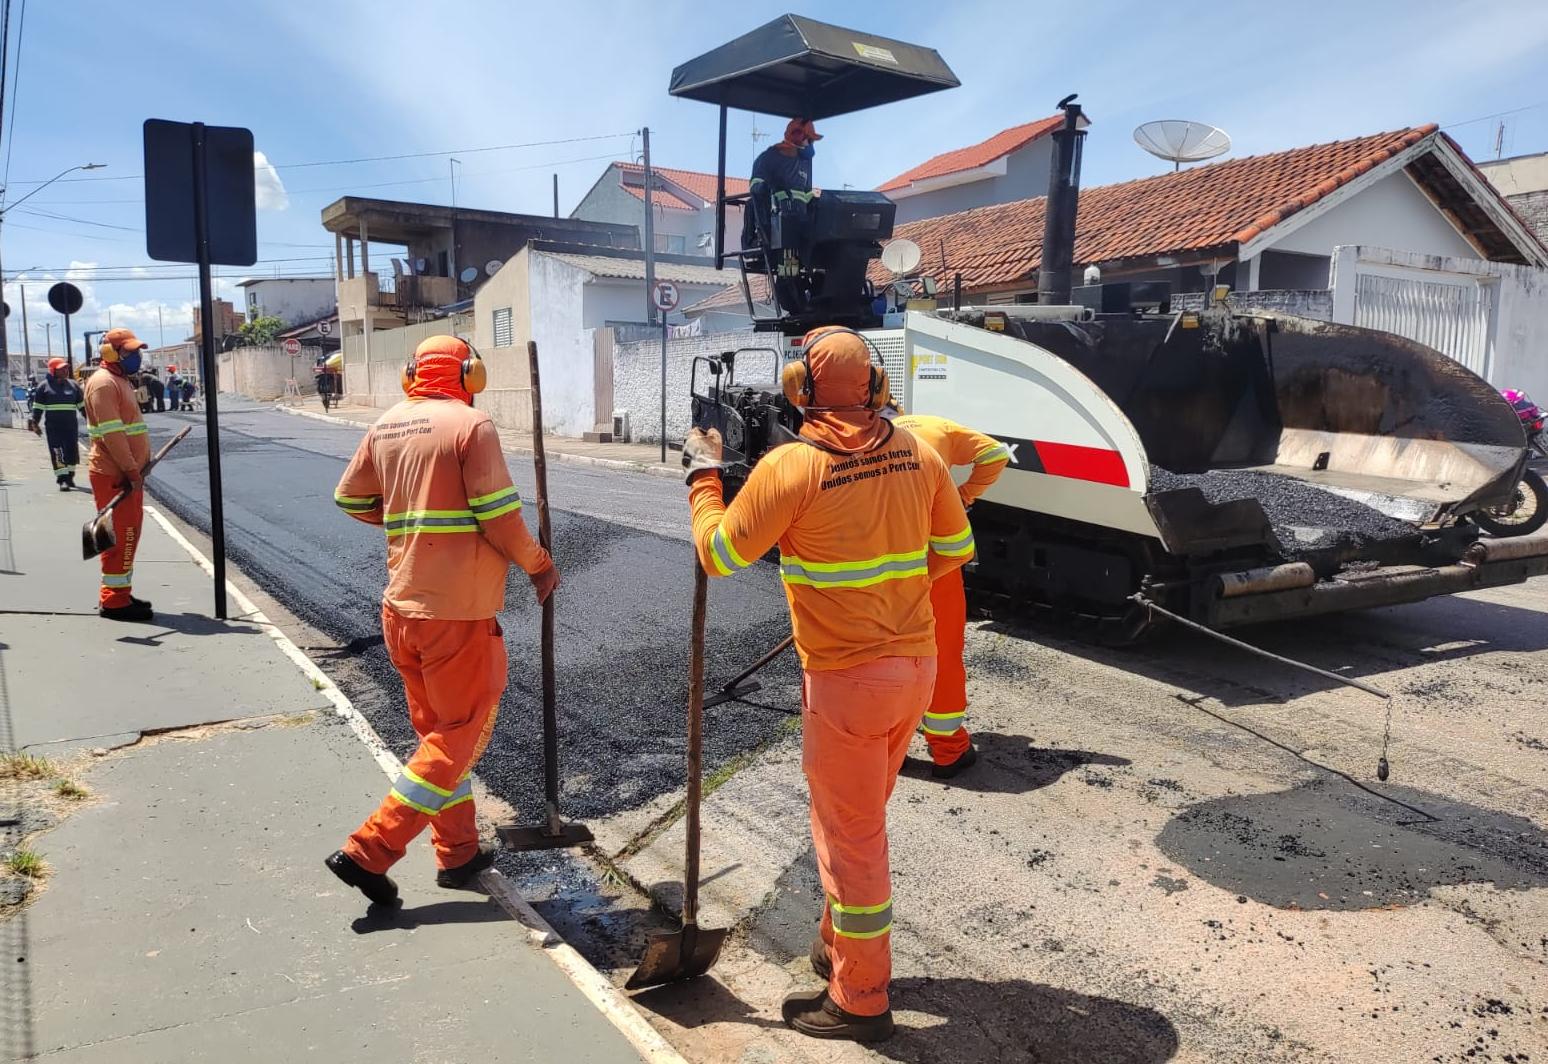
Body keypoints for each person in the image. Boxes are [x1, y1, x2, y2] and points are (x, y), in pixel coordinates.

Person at [683, 328, 973, 1043]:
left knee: (853, 841)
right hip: (916, 669)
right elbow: (956, 548)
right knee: (859, 819)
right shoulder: (919, 453)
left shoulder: (791, 467)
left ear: (799, 390)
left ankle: (860, 999)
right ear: (875, 385)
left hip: (846, 682)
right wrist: (892, 599)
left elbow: (720, 554)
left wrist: (702, 479)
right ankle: (835, 945)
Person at [326, 335, 559, 909]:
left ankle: (457, 852)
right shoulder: (471, 426)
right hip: (456, 617)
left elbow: (350, 499)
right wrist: (539, 565)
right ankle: (370, 850)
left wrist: (407, 521)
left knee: (439, 738)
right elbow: (500, 519)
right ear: (470, 375)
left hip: (401, 612)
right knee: (459, 738)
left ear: (412, 375)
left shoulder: (385, 425)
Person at [887, 406, 1010, 778]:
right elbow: (996, 453)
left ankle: (891, 749)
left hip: (881, 557)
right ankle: (948, 750)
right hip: (934, 553)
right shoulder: (937, 426)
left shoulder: (869, 437)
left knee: (889, 654)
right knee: (941, 651)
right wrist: (965, 495)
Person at [85, 328, 153, 621]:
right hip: (116, 476)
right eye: (129, 351)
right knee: (120, 538)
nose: (136, 356)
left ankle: (121, 592)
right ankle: (113, 601)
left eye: (137, 351)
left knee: (129, 535)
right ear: (110, 352)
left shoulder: (120, 380)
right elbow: (113, 436)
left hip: (126, 474)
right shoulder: (103, 384)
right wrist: (132, 471)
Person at [745, 118, 820, 311]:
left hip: (801, 224)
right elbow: (756, 186)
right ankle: (791, 295)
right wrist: (768, 188)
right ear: (796, 137)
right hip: (778, 225)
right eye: (809, 140)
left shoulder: (804, 162)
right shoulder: (769, 158)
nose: (811, 145)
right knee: (788, 269)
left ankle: (813, 292)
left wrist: (815, 204)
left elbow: (806, 193)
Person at [27, 357, 85, 491]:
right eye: (61, 369)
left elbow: (82, 407)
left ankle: (70, 476)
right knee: (58, 452)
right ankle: (62, 479)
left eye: (66, 368)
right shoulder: (44, 387)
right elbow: (37, 408)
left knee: (71, 451)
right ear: (53, 370)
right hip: (54, 428)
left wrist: (91, 419)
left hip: (71, 427)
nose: (66, 371)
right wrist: (35, 423)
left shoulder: (74, 386)